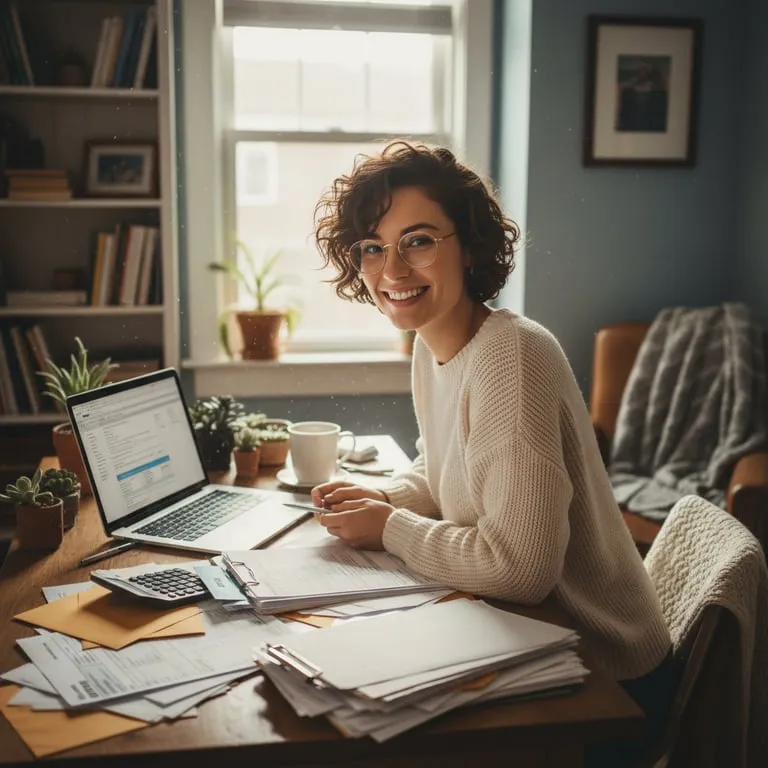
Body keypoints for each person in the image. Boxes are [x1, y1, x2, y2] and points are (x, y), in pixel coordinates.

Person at [312, 141, 676, 762]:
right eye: (372, 247)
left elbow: (520, 569)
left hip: (604, 677)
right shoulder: (433, 342)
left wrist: (391, 528)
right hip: (535, 640)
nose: (391, 269)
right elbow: (448, 467)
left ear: (471, 247)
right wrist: (385, 496)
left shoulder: (512, 356)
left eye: (418, 241)